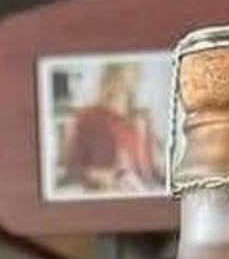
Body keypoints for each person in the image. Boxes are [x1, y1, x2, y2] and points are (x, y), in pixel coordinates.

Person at [60, 62, 161, 191]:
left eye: (133, 72)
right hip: (102, 194)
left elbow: (152, 170)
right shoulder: (86, 117)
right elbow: (72, 170)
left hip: (141, 191)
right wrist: (100, 176)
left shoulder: (142, 119)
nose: (118, 84)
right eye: (117, 76)